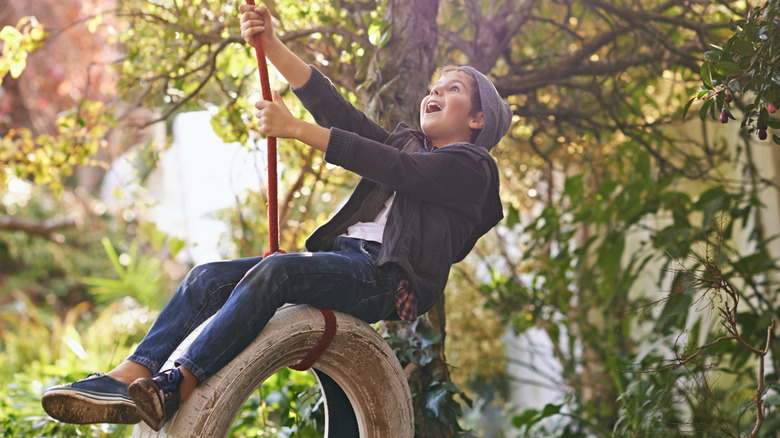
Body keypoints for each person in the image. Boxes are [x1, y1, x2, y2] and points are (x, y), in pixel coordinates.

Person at [41, 3, 511, 432]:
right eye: (435, 85)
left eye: (453, 89)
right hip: (348, 261)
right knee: (206, 278)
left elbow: (398, 169)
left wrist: (296, 131)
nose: (435, 91)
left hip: (383, 277)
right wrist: (273, 45)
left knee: (278, 271)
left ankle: (177, 384)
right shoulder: (410, 146)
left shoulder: (474, 170)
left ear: (476, 121)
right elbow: (340, 115)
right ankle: (131, 375)